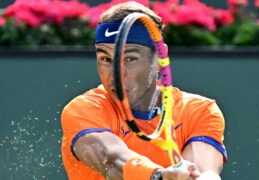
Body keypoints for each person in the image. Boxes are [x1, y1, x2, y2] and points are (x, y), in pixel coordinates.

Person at [61, 1, 227, 180]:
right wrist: (159, 177)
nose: (116, 73)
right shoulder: (83, 109)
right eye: (105, 59)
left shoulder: (199, 111)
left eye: (130, 58)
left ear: (159, 56)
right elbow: (112, 160)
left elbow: (203, 171)